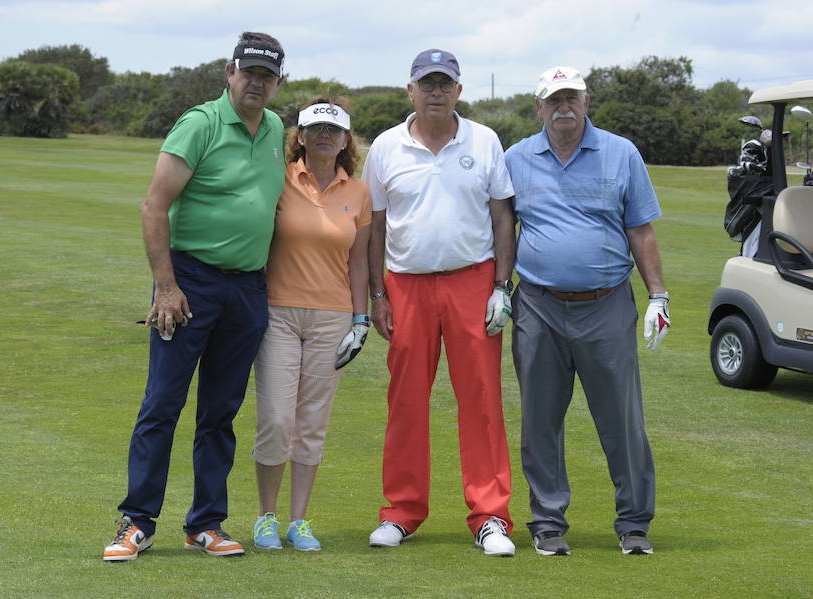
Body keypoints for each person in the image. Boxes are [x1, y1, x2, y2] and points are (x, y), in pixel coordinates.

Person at [103, 31, 286, 562]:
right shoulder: (200, 124)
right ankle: (137, 521)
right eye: (249, 72)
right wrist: (166, 286)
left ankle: (205, 523)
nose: (257, 82)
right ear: (229, 72)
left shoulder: (274, 127)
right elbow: (153, 206)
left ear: (278, 82)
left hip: (248, 287)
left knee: (221, 411)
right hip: (190, 282)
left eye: (267, 75)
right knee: (163, 404)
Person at [504, 66, 671, 557]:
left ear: (587, 101)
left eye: (572, 97)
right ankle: (548, 522)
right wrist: (498, 287)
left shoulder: (621, 153)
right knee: (540, 419)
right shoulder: (516, 158)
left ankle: (634, 523)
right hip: (537, 304)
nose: (564, 107)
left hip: (606, 304)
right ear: (538, 107)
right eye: (554, 99)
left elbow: (640, 228)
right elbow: (501, 227)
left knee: (622, 418)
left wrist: (657, 294)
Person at [363, 49, 517, 556]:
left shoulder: (484, 140)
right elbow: (376, 226)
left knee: (481, 400)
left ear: (458, 90)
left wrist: (500, 287)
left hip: (472, 281)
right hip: (405, 284)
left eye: (444, 83)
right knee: (405, 401)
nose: (435, 91)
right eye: (426, 83)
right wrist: (377, 294)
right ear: (410, 90)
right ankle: (402, 512)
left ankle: (490, 515)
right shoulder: (386, 147)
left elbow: (502, 218)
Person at [251, 97, 372, 552]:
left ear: (345, 140)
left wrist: (360, 320)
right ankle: (266, 516)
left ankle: (298, 520)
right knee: (277, 419)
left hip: (334, 317)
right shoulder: (279, 179)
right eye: (315, 128)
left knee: (312, 423)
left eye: (333, 130)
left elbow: (359, 262)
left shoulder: (358, 192)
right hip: (277, 313)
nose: (324, 136)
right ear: (299, 135)